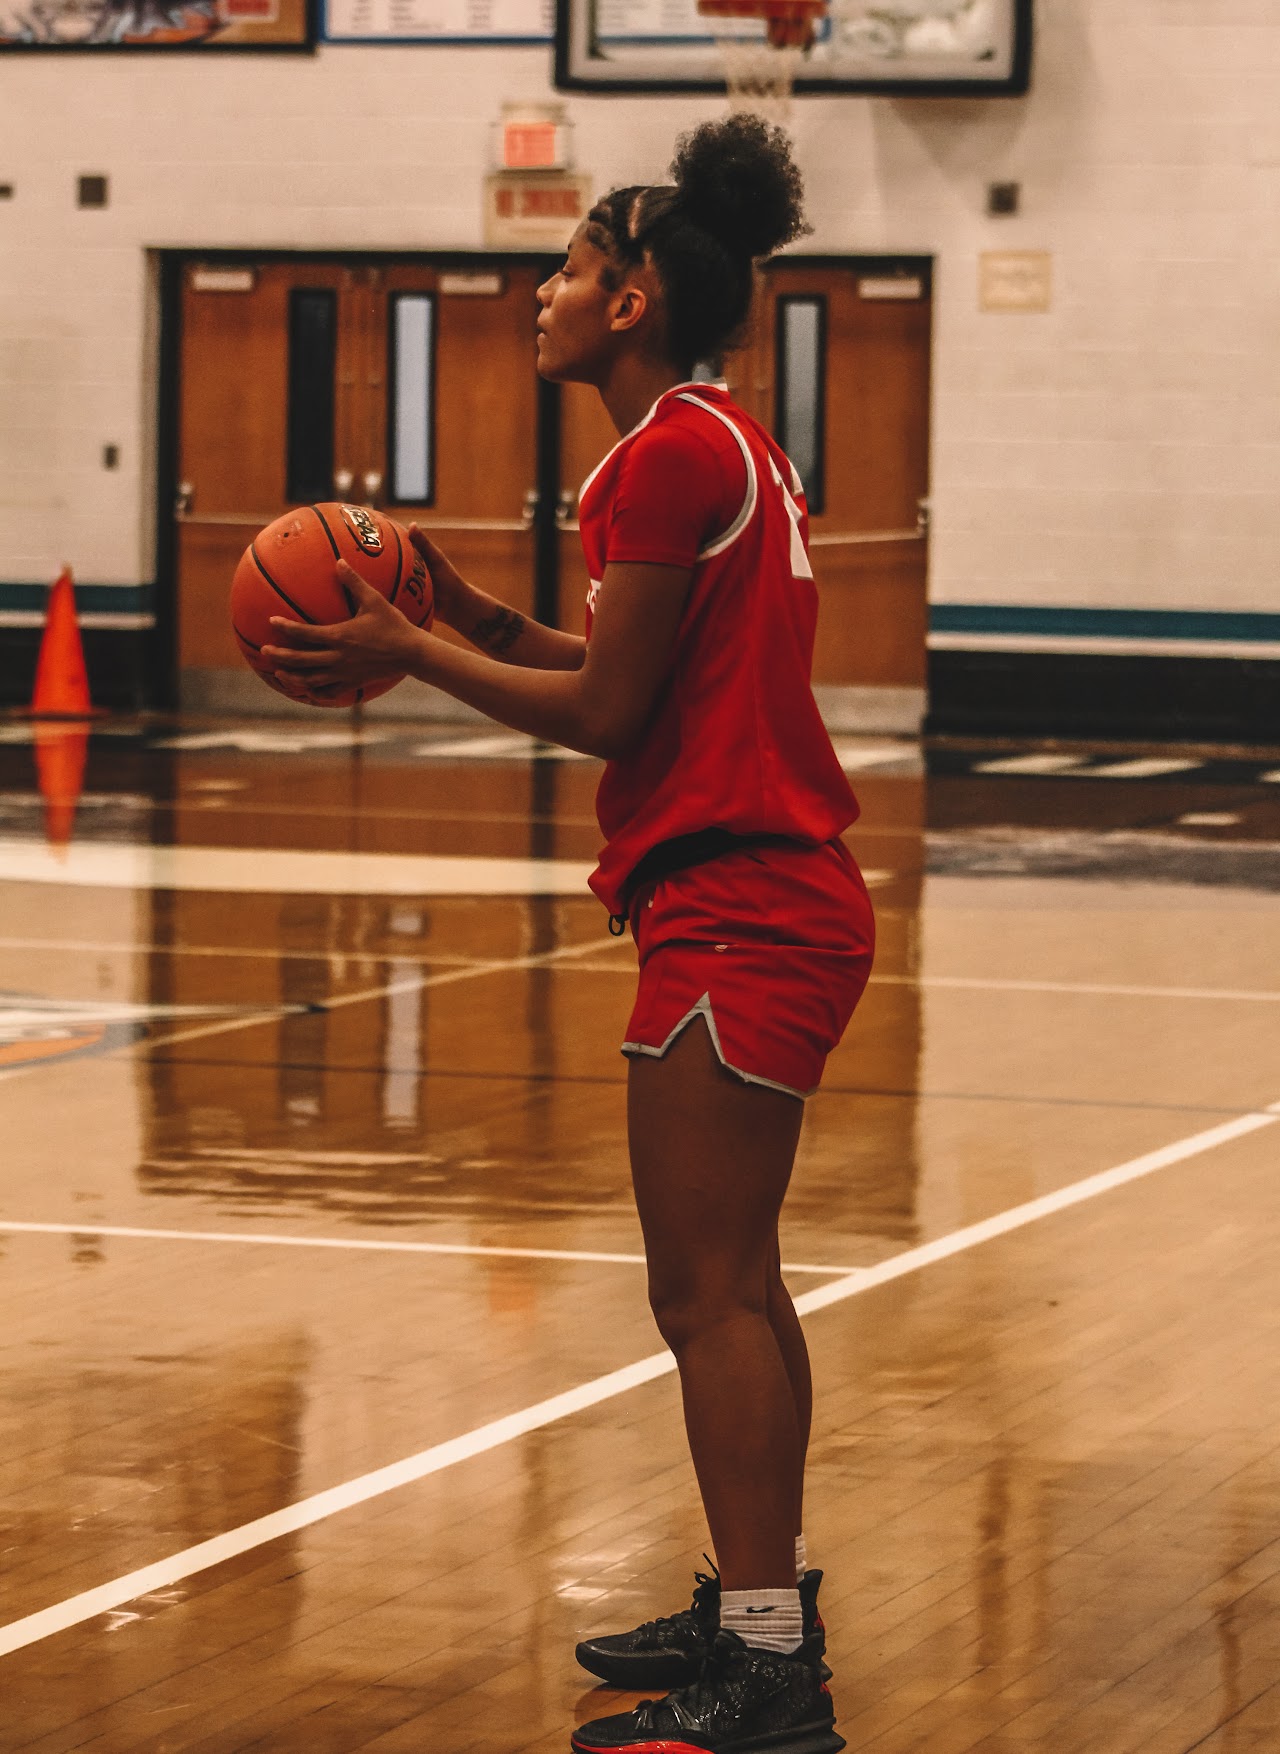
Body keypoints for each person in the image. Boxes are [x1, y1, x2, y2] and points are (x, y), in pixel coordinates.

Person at [263, 112, 874, 1754]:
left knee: (708, 1297)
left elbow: (608, 715)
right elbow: (635, 671)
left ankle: (766, 1676)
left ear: (631, 301)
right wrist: (455, 612)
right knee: (740, 1285)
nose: (541, 286)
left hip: (740, 902)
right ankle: (763, 1606)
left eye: (568, 266)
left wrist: (399, 648)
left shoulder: (667, 456)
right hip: (758, 894)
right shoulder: (715, 441)